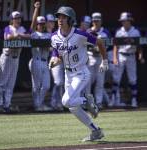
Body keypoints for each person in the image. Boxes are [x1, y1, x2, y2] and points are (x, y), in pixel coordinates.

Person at [49, 6, 108, 141]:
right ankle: (96, 131)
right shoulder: (54, 36)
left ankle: (87, 100)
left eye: (63, 17)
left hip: (81, 73)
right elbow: (58, 55)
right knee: (72, 107)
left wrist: (104, 61)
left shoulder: (80, 34)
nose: (60, 20)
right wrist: (53, 61)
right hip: (67, 74)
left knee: (66, 101)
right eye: (59, 17)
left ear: (70, 20)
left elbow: (99, 41)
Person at [0, 11, 30, 113]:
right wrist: (19, 35)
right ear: (12, 20)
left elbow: (29, 36)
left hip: (16, 58)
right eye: (15, 18)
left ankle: (7, 105)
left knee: (11, 83)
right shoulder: (8, 28)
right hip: (6, 57)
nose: (18, 20)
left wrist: (19, 35)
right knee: (2, 82)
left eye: (19, 18)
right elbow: (8, 37)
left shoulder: (21, 29)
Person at [112, 12, 145, 107]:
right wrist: (114, 57)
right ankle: (113, 99)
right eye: (122, 21)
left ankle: (134, 100)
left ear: (129, 21)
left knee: (132, 79)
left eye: (125, 20)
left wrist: (140, 55)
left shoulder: (136, 31)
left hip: (131, 55)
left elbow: (139, 45)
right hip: (121, 55)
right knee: (116, 78)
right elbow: (115, 46)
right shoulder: (119, 31)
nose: (123, 22)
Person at [29, 2, 53, 111]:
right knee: (36, 85)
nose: (41, 25)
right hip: (36, 60)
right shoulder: (33, 34)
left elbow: (53, 47)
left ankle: (39, 104)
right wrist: (36, 9)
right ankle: (37, 105)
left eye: (43, 24)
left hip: (45, 61)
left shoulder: (48, 35)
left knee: (47, 85)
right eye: (40, 24)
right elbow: (32, 24)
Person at [86, 12, 110, 109]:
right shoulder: (88, 31)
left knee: (100, 82)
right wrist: (92, 48)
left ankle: (99, 102)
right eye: (94, 21)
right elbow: (83, 45)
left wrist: (100, 49)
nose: (96, 22)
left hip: (100, 58)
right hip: (90, 57)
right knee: (87, 82)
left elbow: (108, 46)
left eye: (97, 21)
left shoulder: (105, 32)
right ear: (92, 21)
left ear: (101, 21)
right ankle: (87, 102)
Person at [45, 14, 64, 111]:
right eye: (50, 21)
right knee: (57, 82)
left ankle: (59, 103)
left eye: (53, 21)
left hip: (60, 59)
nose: (51, 23)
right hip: (50, 59)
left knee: (60, 83)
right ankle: (53, 103)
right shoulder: (45, 33)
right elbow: (49, 48)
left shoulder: (56, 34)